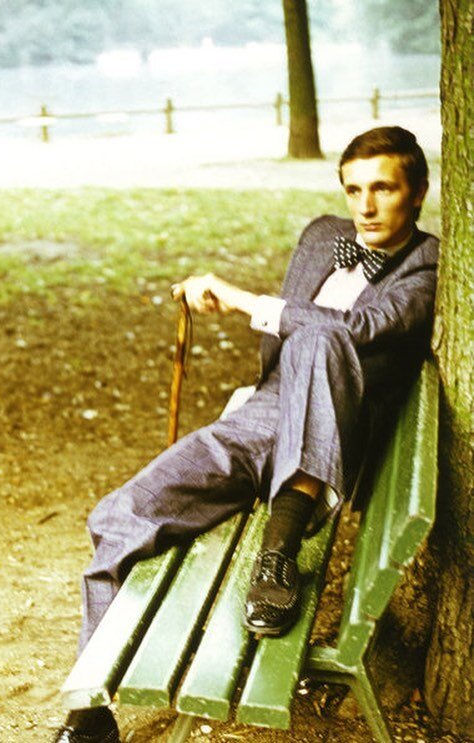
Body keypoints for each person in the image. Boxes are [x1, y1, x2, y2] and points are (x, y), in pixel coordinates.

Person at [54, 126, 438, 743]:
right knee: (119, 515)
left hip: (336, 434)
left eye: (384, 189)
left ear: (417, 193)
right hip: (262, 417)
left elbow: (358, 328)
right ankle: (90, 709)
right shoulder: (324, 236)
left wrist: (241, 299)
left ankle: (278, 553)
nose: (365, 206)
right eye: (354, 190)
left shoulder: (430, 262)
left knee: (320, 336)